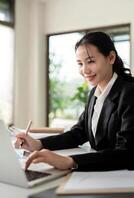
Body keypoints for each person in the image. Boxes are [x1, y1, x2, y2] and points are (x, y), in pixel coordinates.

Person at [15, 31, 134, 171]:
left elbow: (126, 153)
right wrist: (38, 144)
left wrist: (70, 161)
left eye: (90, 61)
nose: (85, 70)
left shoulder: (129, 93)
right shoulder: (94, 93)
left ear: (111, 57)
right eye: (80, 63)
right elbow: (78, 133)